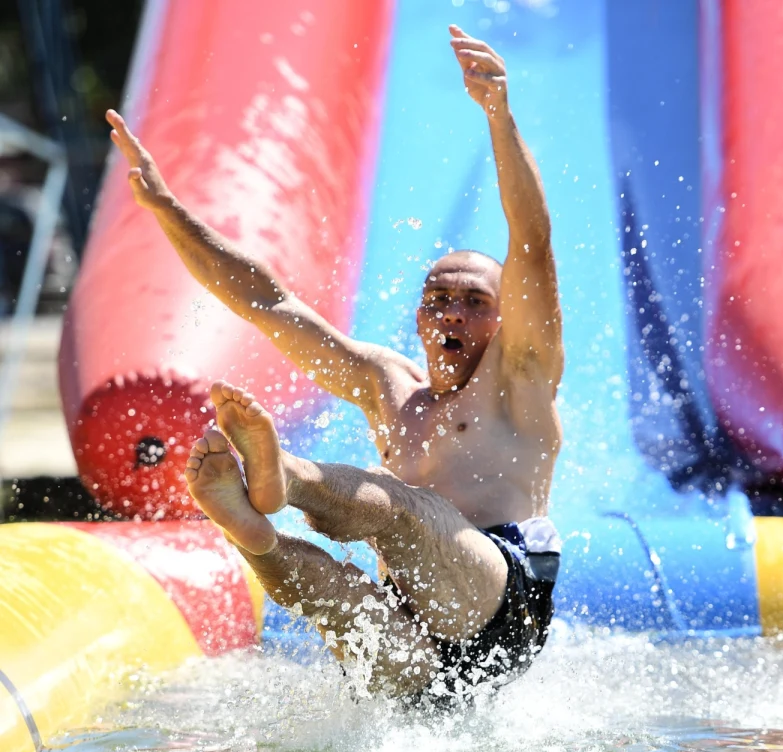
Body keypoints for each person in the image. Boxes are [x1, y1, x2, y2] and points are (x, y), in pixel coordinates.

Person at [106, 25, 564, 704]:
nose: (452, 315)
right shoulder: (388, 384)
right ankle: (249, 524)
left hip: (500, 606)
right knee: (329, 591)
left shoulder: (521, 379)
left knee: (407, 510)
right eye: (437, 300)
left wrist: (498, 114)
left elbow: (531, 241)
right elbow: (267, 302)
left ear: (505, 322)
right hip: (412, 629)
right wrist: (167, 211)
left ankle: (281, 475)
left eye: (474, 302)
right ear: (417, 317)